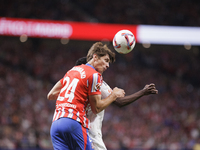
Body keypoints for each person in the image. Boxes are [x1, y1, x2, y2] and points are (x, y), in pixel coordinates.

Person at [47, 42, 125, 150]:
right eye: (106, 60)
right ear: (95, 57)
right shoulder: (94, 75)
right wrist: (114, 95)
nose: (107, 65)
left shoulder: (72, 71)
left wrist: (76, 94)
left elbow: (51, 95)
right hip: (74, 122)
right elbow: (96, 108)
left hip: (56, 124)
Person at [75, 57, 158, 150]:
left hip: (76, 133)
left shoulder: (72, 85)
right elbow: (119, 102)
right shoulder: (94, 80)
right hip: (91, 136)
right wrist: (143, 92)